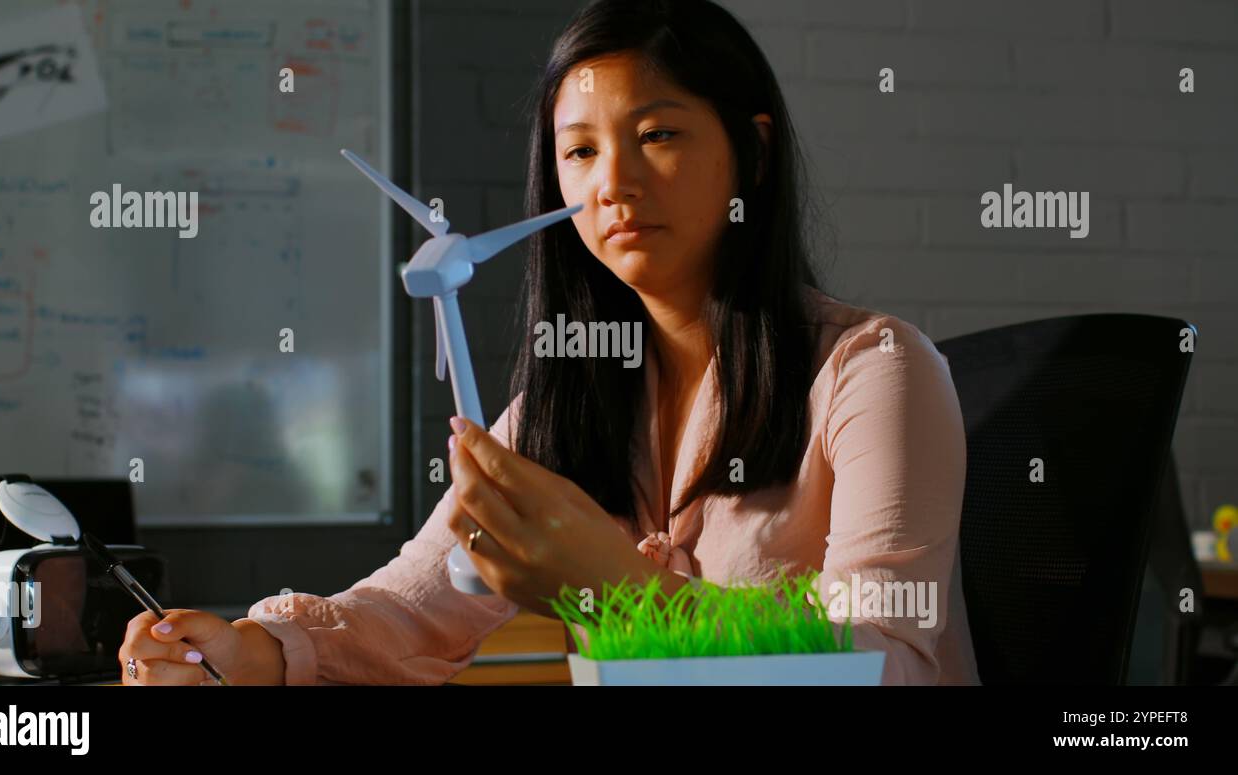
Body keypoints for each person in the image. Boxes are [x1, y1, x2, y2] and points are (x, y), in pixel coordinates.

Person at [119, 0, 979, 686]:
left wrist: (612, 584)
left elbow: (884, 665)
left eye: (659, 135)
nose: (614, 185)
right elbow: (414, 602)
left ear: (751, 152)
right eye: (579, 152)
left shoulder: (874, 374)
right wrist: (250, 654)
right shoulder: (565, 403)